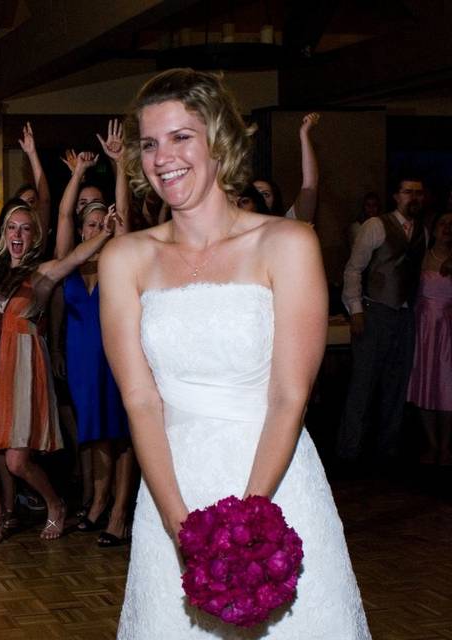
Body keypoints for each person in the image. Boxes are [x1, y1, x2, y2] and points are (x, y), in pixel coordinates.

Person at [100, 68, 369, 637]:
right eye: (149, 143)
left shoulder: (286, 244)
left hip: (275, 482)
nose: (162, 157)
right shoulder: (124, 258)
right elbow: (140, 399)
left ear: (218, 137)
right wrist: (180, 527)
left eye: (180, 136)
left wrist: (249, 526)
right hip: (172, 485)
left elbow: (289, 395)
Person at [0, 193, 119, 544]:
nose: (17, 234)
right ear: (4, 234)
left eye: (25, 229)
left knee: (17, 463)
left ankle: (55, 504)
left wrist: (106, 233)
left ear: (34, 236)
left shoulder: (41, 274)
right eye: (11, 228)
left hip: (24, 365)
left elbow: (76, 257)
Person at [53, 121, 135, 546]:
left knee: (122, 434)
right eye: (91, 225)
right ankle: (100, 501)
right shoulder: (70, 261)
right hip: (82, 355)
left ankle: (119, 512)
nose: (96, 229)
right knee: (97, 431)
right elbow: (64, 214)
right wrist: (78, 176)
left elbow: (122, 223)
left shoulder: (118, 258)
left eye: (104, 223)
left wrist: (120, 165)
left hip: (116, 353)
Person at [339, 177, 427, 462]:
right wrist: (356, 311)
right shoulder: (376, 225)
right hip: (374, 311)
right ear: (396, 196)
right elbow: (353, 269)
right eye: (407, 192)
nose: (413, 197)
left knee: (397, 384)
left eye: (418, 193)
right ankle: (349, 451)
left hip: (404, 315)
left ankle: (386, 450)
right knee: (363, 385)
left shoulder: (422, 232)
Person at [406, 212, 451, 464]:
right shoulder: (421, 256)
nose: (447, 228)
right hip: (423, 328)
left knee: (447, 385)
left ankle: (445, 446)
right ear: (433, 229)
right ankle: (431, 444)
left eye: (451, 226)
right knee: (424, 382)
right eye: (442, 223)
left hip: (448, 329)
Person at [251, 112, 321, 222]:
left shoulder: (287, 222)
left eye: (265, 194)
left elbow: (309, 187)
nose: (259, 199)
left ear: (275, 201)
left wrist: (304, 133)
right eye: (253, 193)